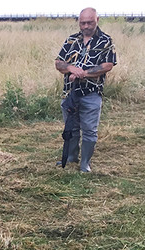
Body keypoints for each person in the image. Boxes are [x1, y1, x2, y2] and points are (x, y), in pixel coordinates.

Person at [55, 7, 116, 173]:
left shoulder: (106, 41)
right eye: (82, 23)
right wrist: (70, 68)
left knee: (89, 130)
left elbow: (107, 65)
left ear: (97, 20)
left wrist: (83, 74)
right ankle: (71, 157)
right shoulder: (71, 40)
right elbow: (58, 63)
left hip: (91, 93)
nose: (86, 26)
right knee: (71, 128)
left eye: (89, 22)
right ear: (79, 22)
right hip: (70, 93)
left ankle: (85, 164)